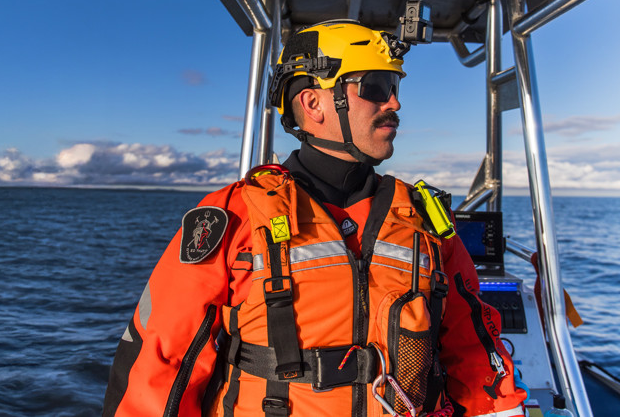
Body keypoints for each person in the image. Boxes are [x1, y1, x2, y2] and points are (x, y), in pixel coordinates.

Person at [103, 21, 527, 417]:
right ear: (313, 103)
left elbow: (475, 351)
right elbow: (161, 357)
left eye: (395, 87)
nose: (394, 103)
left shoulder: (425, 219)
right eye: (376, 87)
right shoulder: (234, 215)